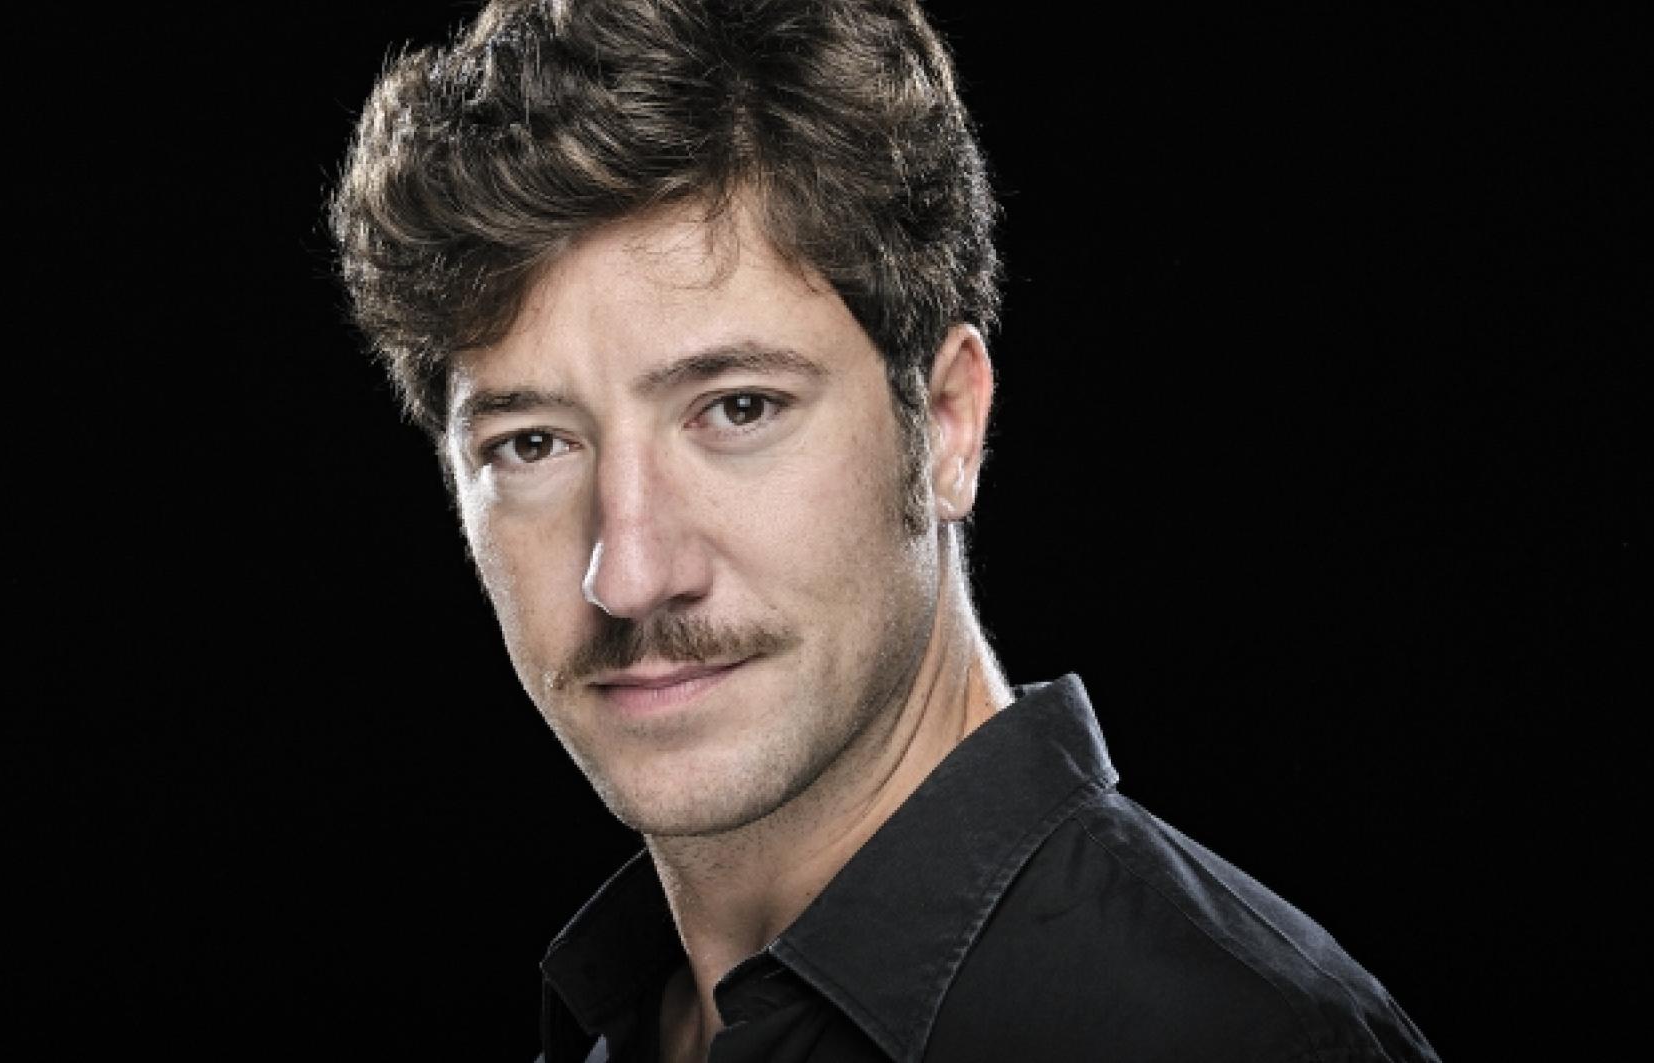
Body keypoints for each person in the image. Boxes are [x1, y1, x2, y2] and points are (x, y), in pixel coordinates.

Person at [328, 1, 1441, 1059]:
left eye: (738, 409)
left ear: (947, 424)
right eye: (531, 443)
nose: (628, 574)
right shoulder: (622, 1028)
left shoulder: (1229, 1040)